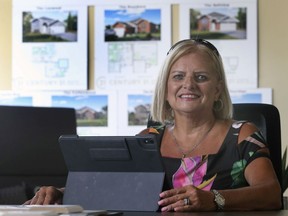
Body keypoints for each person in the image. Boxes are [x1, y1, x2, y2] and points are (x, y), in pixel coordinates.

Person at [24, 39, 282, 212]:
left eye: (201, 77)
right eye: (178, 76)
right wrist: (59, 194)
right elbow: (108, 187)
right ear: (167, 89)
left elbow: (270, 193)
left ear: (217, 90)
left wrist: (213, 199)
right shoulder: (148, 138)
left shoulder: (242, 134)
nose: (188, 85)